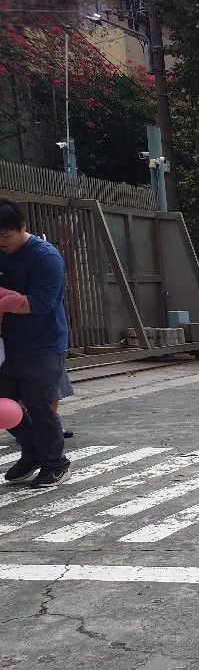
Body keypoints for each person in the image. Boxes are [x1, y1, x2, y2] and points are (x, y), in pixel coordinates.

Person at [0, 197, 71, 488]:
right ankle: (32, 453)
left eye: (6, 236)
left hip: (43, 344)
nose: (2, 242)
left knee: (39, 405)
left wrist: (4, 301)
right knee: (4, 404)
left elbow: (40, 303)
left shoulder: (46, 258)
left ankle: (55, 463)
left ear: (22, 226)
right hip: (7, 344)